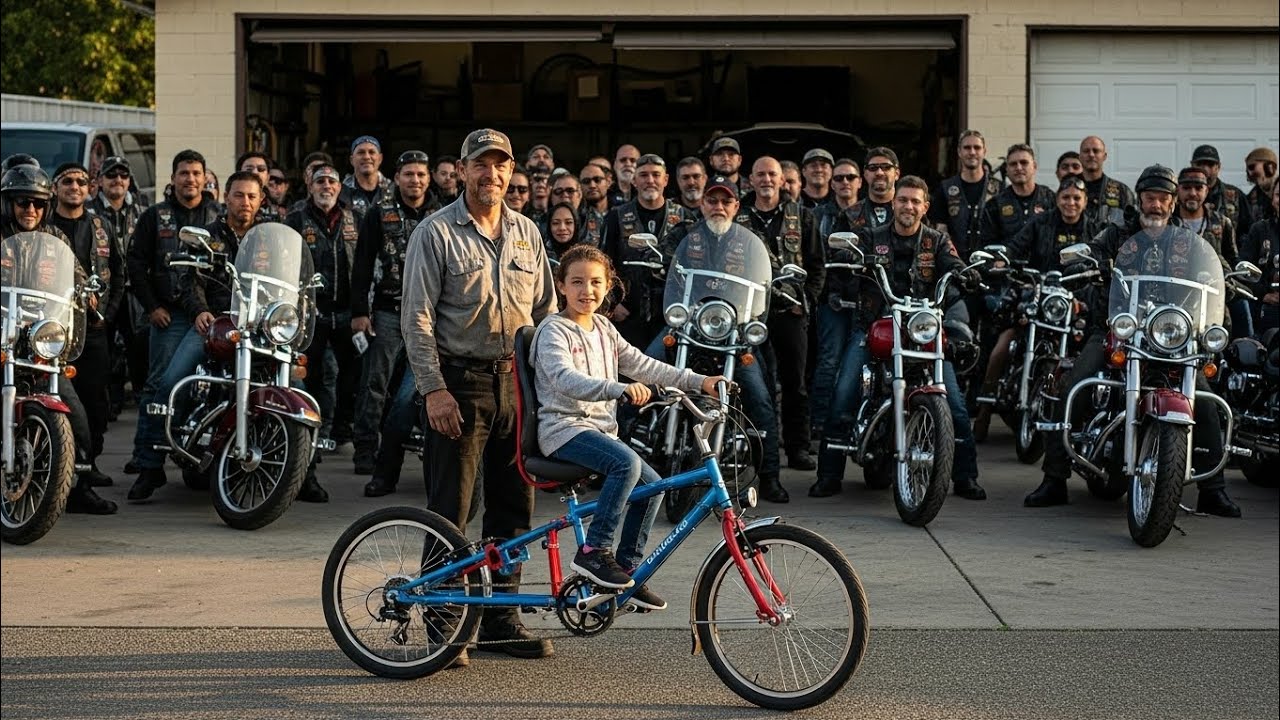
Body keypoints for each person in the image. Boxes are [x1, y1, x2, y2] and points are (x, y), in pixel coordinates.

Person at [401, 128, 558, 661]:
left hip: (517, 385)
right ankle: (444, 625)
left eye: (501, 165)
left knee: (514, 509)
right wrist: (434, 390)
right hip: (459, 385)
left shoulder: (527, 233)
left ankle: (499, 621)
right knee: (452, 509)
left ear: (512, 172)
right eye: (481, 165)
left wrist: (549, 387)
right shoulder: (436, 232)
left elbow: (546, 315)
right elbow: (416, 320)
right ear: (463, 170)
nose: (492, 175)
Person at [1025, 165, 1239, 517]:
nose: (1156, 205)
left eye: (1163, 199)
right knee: (1077, 383)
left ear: (1172, 204)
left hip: (1172, 336)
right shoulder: (1117, 234)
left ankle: (1213, 490)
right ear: (1139, 199)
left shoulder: (1187, 241)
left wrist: (1223, 279)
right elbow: (1090, 254)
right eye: (1150, 197)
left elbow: (1217, 268)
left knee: (1206, 401)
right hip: (1117, 330)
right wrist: (1091, 262)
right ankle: (1054, 479)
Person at [533, 244, 725, 607]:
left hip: (600, 431)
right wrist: (619, 388)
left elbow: (645, 365)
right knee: (627, 464)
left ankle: (624, 573)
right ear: (561, 286)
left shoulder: (604, 328)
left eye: (594, 282)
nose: (586, 291)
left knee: (653, 486)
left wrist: (699, 381)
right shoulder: (553, 330)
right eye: (576, 282)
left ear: (608, 287)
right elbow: (564, 378)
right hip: (564, 430)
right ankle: (594, 551)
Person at [812, 176, 985, 501]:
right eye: (903, 200)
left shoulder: (936, 240)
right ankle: (828, 475)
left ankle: (965, 477)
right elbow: (849, 257)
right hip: (876, 326)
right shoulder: (870, 236)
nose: (908, 206)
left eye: (915, 201)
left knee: (957, 408)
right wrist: (852, 260)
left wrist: (965, 272)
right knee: (844, 393)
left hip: (922, 331)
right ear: (894, 203)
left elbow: (953, 262)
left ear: (925, 207)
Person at [643, 177, 787, 503]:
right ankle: (627, 450)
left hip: (733, 332)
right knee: (643, 369)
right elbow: (664, 259)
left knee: (759, 395)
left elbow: (771, 272)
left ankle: (770, 477)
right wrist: (656, 261)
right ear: (702, 204)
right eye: (712, 200)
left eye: (726, 201)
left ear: (736, 206)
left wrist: (781, 281)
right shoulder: (683, 235)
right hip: (687, 325)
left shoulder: (753, 241)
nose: (718, 207)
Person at [127, 171, 264, 503]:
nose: (244, 201)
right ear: (226, 198)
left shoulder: (267, 239)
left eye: (251, 196)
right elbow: (190, 280)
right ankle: (149, 465)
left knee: (294, 387)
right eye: (238, 195)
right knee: (171, 381)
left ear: (260, 201)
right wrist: (200, 310)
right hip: (213, 322)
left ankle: (300, 469)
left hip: (257, 328)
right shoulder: (208, 236)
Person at [1, 164, 117, 514]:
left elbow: (77, 276)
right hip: (2, 334)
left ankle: (77, 488)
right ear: (8, 204)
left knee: (76, 417)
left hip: (39, 342)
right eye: (23, 203)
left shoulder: (56, 240)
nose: (30, 210)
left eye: (37, 203)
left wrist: (86, 292)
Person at [971, 174, 1102, 440]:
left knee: (1089, 347)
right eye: (1066, 197)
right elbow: (1016, 245)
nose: (1071, 203)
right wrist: (1003, 259)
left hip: (1077, 298)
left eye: (1077, 198)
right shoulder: (1041, 222)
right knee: (1003, 344)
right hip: (1038, 291)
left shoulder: (1095, 228)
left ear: (1085, 201)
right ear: (1057, 199)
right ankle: (984, 411)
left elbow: (1103, 256)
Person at [125, 149, 220, 494]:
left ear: (205, 177)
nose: (190, 179)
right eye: (184, 173)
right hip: (169, 314)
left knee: (208, 386)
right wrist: (151, 307)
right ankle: (148, 463)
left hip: (211, 314)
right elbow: (135, 264)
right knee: (160, 384)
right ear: (173, 178)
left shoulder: (218, 215)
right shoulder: (155, 215)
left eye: (196, 173)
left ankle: (199, 455)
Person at [735, 156, 824, 471]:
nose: (767, 180)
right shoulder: (737, 215)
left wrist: (806, 302)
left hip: (790, 311)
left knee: (794, 383)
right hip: (749, 314)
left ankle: (798, 448)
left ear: (783, 179)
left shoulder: (802, 216)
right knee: (754, 384)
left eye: (772, 174)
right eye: (760, 174)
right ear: (751, 179)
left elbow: (817, 266)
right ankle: (758, 447)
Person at [350, 150, 435, 480]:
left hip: (427, 315)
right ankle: (365, 450)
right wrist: (360, 311)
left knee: (418, 387)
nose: (415, 180)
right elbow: (362, 263)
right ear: (397, 177)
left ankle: (407, 449)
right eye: (409, 174)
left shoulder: (441, 212)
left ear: (428, 180)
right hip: (387, 310)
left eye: (421, 175)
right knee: (374, 382)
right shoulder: (378, 212)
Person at [49, 162, 124, 489]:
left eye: (81, 181)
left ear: (90, 187)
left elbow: (120, 274)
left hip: (93, 330)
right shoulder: (44, 224)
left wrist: (108, 313)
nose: (75, 187)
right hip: (52, 332)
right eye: (67, 181)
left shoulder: (101, 225)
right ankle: (55, 468)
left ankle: (87, 466)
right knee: (57, 400)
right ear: (55, 187)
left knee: (95, 402)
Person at [285, 162, 358, 499]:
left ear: (339, 187)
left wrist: (362, 311)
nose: (326, 186)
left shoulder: (354, 217)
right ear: (310, 186)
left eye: (331, 180)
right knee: (310, 381)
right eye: (320, 181)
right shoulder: (296, 219)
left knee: (353, 375)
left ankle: (341, 429)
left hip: (348, 313)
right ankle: (308, 459)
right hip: (310, 313)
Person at [602, 153, 692, 349]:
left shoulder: (685, 217)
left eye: (655, 175)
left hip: (672, 314)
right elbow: (603, 263)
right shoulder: (616, 216)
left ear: (666, 179)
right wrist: (613, 302)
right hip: (628, 312)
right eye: (643, 175)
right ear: (634, 180)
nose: (650, 180)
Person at [87, 156, 147, 419]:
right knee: (104, 347)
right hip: (102, 291)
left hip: (134, 290)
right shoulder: (89, 211)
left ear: (129, 181)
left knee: (138, 348)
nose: (117, 181)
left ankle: (142, 402)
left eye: (123, 176)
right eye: (111, 175)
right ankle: (108, 404)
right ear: (100, 181)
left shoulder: (142, 210)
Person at [930, 129, 1003, 258]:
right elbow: (941, 230)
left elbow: (1007, 228)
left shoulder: (999, 189)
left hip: (992, 263)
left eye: (977, 148)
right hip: (957, 263)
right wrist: (950, 257)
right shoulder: (945, 189)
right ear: (959, 152)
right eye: (967, 148)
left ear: (984, 151)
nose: (972, 152)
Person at [1240, 180, 1279, 334]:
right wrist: (1265, 295)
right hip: (1267, 309)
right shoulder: (1260, 229)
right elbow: (1243, 268)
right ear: (1272, 198)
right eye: (1278, 195)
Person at [1192, 144, 1254, 236]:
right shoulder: (1182, 196)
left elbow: (1248, 230)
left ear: (1218, 167)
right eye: (1200, 164)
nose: (1205, 169)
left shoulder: (1235, 196)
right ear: (1192, 165)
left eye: (1210, 164)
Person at [1078, 136, 1136, 226]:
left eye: (1096, 151)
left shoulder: (1122, 191)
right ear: (1080, 157)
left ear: (1104, 156)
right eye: (1086, 151)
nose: (1091, 155)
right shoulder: (1069, 190)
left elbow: (1132, 224)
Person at [340, 135, 393, 221]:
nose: (366, 157)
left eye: (371, 152)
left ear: (380, 158)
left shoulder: (393, 190)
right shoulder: (341, 192)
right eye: (361, 152)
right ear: (351, 160)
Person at [578, 162, 612, 247]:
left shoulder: (622, 212)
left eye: (597, 180)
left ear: (608, 182)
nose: (592, 185)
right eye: (586, 181)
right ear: (580, 186)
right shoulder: (576, 217)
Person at [1244, 147, 1277, 223]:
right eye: (1247, 169)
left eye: (1252, 167)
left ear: (1270, 166)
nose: (1250, 173)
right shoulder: (1251, 198)